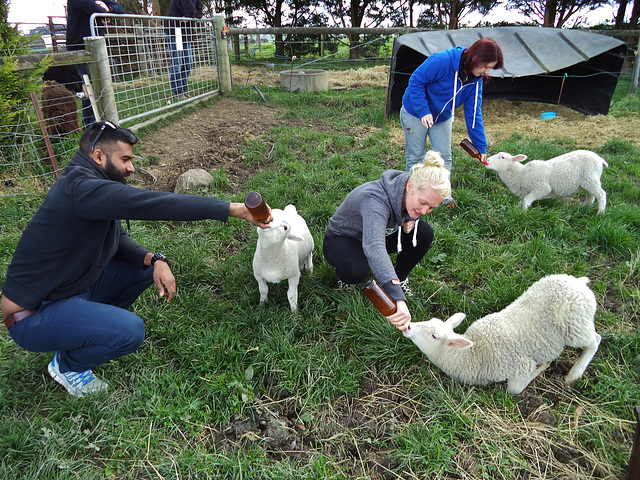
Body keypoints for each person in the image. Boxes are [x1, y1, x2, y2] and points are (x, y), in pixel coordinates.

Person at [0, 121, 272, 397]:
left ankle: (82, 332)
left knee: (142, 268)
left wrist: (155, 260)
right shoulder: (81, 189)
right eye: (125, 159)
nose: (131, 167)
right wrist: (232, 209)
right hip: (31, 316)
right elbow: (153, 203)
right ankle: (68, 365)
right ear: (98, 156)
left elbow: (116, 238)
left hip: (67, 292)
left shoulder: (89, 185)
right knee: (131, 330)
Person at [323, 151, 451, 332]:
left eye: (431, 207)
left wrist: (410, 218)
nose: (424, 210)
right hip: (343, 240)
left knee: (423, 233)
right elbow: (374, 247)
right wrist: (397, 298)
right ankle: (347, 280)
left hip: (375, 235)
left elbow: (408, 207)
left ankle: (400, 278)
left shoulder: (411, 189)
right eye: (422, 203)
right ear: (409, 186)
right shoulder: (374, 200)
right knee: (357, 269)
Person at [400, 38, 504, 206]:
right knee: (416, 158)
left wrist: (480, 146)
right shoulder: (443, 61)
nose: (486, 72)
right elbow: (416, 81)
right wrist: (423, 111)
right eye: (485, 66)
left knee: (444, 157)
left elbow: (473, 114)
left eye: (490, 68)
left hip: (442, 116)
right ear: (475, 58)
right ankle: (411, 195)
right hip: (415, 112)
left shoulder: (476, 81)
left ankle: (442, 196)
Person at [66, 0, 126, 127]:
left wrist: (108, 9)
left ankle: (94, 120)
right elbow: (98, 10)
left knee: (95, 83)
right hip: (80, 46)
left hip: (96, 47)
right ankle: (91, 122)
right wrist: (103, 11)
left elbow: (120, 9)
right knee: (89, 83)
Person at [164, 0, 204, 99]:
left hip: (186, 34)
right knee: (177, 62)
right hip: (175, 32)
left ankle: (183, 88)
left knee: (188, 62)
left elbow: (199, 13)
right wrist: (192, 16)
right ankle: (178, 91)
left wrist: (191, 16)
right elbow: (191, 12)